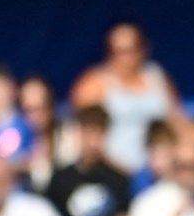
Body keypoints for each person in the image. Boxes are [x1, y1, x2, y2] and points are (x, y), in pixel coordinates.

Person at [70, 21, 185, 174]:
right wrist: (122, 172)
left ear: (144, 49)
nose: (126, 57)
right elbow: (85, 136)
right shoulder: (93, 84)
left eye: (132, 50)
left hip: (159, 169)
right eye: (118, 51)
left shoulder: (157, 76)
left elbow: (177, 121)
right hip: (113, 171)